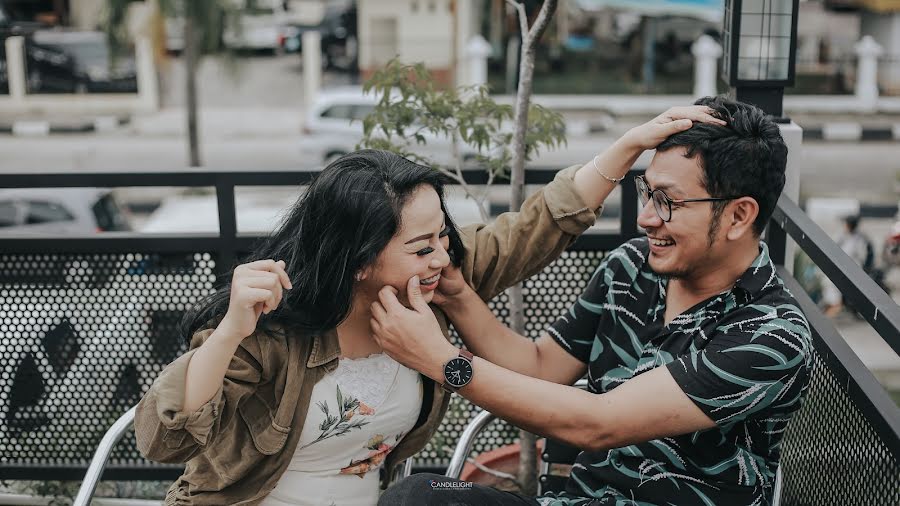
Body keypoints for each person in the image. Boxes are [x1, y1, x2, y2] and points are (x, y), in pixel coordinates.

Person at [133, 104, 719, 506]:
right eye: (421, 245)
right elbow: (167, 440)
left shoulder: (431, 296)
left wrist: (626, 149)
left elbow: (537, 227)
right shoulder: (275, 327)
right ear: (358, 260)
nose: (442, 256)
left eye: (443, 234)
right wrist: (231, 330)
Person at [371, 96, 813, 506]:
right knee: (419, 496)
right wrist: (458, 295)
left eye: (668, 203)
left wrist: (442, 360)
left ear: (739, 216)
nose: (645, 218)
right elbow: (543, 368)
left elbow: (600, 423)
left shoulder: (770, 334)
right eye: (647, 192)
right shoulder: (632, 268)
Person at [822, 215, 873, 316]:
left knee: (832, 286)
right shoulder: (844, 236)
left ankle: (834, 307)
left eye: (846, 224)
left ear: (849, 225)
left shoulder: (859, 239)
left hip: (852, 271)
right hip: (842, 268)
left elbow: (861, 257)